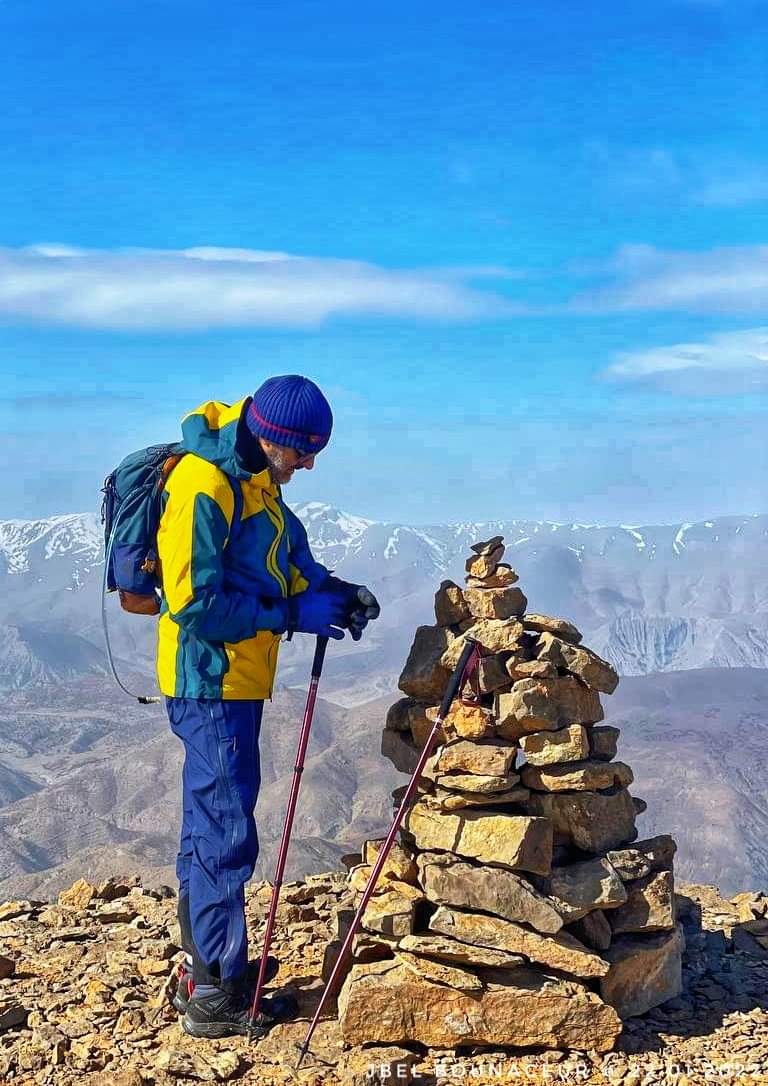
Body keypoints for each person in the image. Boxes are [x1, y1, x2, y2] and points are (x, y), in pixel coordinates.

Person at [155, 375, 380, 1039]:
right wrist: (289, 613)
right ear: (274, 437)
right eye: (304, 452)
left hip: (236, 681)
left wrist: (336, 593)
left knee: (210, 827)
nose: (309, 465)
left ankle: (209, 970)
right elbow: (193, 605)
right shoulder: (206, 485)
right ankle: (217, 997)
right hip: (209, 682)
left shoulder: (257, 481)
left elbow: (287, 560)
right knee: (224, 832)